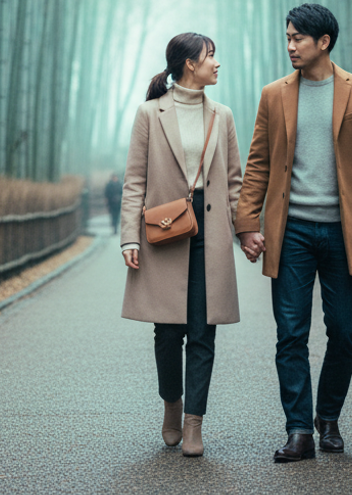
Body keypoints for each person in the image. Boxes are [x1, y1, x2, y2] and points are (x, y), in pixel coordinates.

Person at [233, 3, 352, 463]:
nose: (290, 46)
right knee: (291, 333)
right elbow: (259, 163)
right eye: (287, 38)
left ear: (323, 42)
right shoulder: (274, 94)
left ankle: (329, 416)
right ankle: (299, 429)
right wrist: (247, 224)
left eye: (297, 38)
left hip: (345, 232)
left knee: (344, 331)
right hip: (293, 232)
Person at [119, 32, 244, 458]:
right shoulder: (150, 113)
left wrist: (246, 231)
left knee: (203, 333)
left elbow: (235, 185)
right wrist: (128, 238)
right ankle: (172, 403)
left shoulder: (222, 115)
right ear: (190, 63)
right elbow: (134, 180)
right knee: (168, 333)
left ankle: (194, 424)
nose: (217, 63)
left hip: (209, 237)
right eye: (212, 56)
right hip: (164, 233)